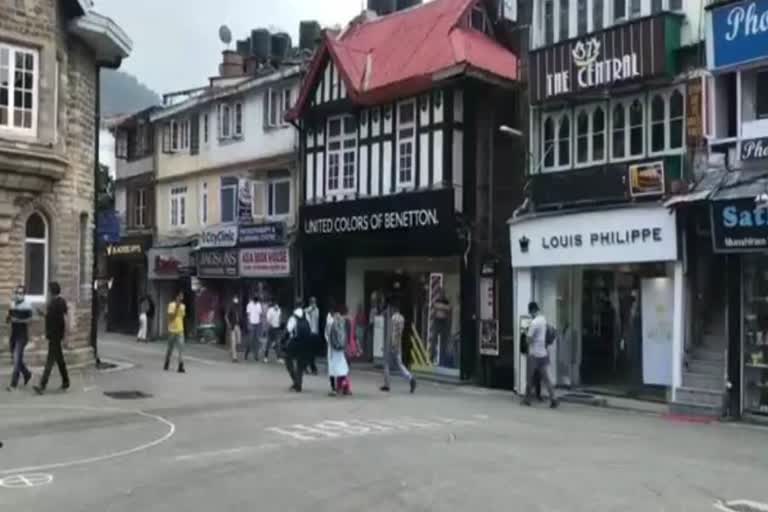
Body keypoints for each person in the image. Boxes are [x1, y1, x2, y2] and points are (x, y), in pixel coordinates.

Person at [34, 282, 70, 395]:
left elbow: (62, 318)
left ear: (51, 292)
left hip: (55, 335)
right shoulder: (56, 302)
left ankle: (42, 385)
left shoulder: (56, 303)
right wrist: (42, 314)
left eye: (49, 291)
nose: (48, 293)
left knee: (50, 361)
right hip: (55, 334)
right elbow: (53, 317)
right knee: (59, 360)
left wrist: (66, 335)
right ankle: (66, 381)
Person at [523, 301, 558, 408]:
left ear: (532, 310)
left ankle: (527, 399)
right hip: (543, 353)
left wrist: (526, 333)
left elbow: (528, 340)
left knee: (529, 378)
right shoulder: (543, 319)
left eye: (530, 312)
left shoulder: (534, 323)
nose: (530, 314)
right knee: (546, 378)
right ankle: (553, 399)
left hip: (534, 354)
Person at [381, 302, 416, 394]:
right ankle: (410, 377)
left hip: (392, 344)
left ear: (393, 310)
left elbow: (392, 333)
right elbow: (399, 333)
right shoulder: (402, 318)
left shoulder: (393, 318)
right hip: (398, 344)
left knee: (386, 364)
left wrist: (391, 345)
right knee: (400, 365)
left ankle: (387, 385)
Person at [7, 285, 32, 391]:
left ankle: (13, 384)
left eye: (21, 293)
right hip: (14, 335)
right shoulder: (13, 305)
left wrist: (17, 320)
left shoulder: (27, 305)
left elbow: (30, 320)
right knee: (16, 359)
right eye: (17, 292)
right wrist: (10, 317)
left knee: (17, 359)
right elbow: (8, 320)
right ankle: (27, 373)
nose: (18, 295)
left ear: (24, 295)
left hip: (22, 336)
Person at [285, 299, 312, 392]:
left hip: (295, 342)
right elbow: (310, 328)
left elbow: (288, 330)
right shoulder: (306, 315)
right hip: (304, 342)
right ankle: (298, 384)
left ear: (295, 305)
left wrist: (283, 341)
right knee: (300, 364)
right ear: (303, 305)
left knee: (288, 360)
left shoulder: (293, 317)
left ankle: (296, 381)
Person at [327, 307, 350, 396]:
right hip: (341, 349)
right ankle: (345, 387)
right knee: (342, 368)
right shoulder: (343, 322)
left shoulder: (332, 322)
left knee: (334, 369)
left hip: (334, 349)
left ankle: (336, 389)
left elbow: (329, 336)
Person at [164, 290, 186, 373]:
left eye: (182, 296)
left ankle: (180, 366)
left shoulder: (183, 306)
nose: (181, 298)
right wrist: (177, 307)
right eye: (180, 296)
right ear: (176, 297)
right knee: (170, 349)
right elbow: (171, 318)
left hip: (180, 330)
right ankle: (167, 361)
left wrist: (179, 307)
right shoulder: (171, 305)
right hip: (172, 330)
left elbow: (182, 317)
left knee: (181, 349)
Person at [431, 287, 452, 365]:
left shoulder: (446, 301)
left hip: (444, 321)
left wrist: (440, 307)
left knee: (444, 341)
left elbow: (449, 308)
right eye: (440, 293)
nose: (441, 294)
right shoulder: (437, 300)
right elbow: (435, 306)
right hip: (437, 321)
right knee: (434, 339)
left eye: (442, 293)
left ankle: (442, 359)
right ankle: (432, 356)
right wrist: (443, 308)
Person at [303, 297, 320, 375]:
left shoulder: (316, 310)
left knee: (312, 352)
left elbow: (315, 318)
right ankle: (311, 368)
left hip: (314, 333)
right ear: (310, 303)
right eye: (312, 302)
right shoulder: (307, 310)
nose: (314, 303)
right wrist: (310, 308)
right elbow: (304, 312)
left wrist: (312, 308)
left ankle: (308, 367)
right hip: (309, 333)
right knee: (309, 352)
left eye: (315, 302)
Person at [245, 295, 263, 361]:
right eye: (255, 300)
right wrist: (248, 324)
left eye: (257, 300)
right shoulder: (249, 305)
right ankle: (246, 353)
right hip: (251, 324)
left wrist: (260, 323)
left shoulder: (259, 305)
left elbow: (260, 314)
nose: (256, 301)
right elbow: (248, 315)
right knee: (250, 340)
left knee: (257, 340)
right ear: (253, 299)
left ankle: (256, 356)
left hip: (257, 324)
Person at [226, 296, 242, 363]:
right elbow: (226, 316)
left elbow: (240, 317)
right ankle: (234, 358)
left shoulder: (238, 308)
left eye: (237, 299)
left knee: (239, 341)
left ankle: (231, 350)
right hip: (232, 326)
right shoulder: (231, 307)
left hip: (238, 326)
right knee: (233, 342)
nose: (236, 300)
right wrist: (229, 324)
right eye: (235, 299)